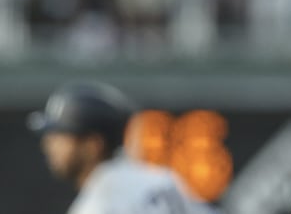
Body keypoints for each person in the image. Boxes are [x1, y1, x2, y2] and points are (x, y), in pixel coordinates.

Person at [28, 80, 212, 214]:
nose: (48, 145)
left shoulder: (97, 206)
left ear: (93, 145)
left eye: (60, 137)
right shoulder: (163, 180)